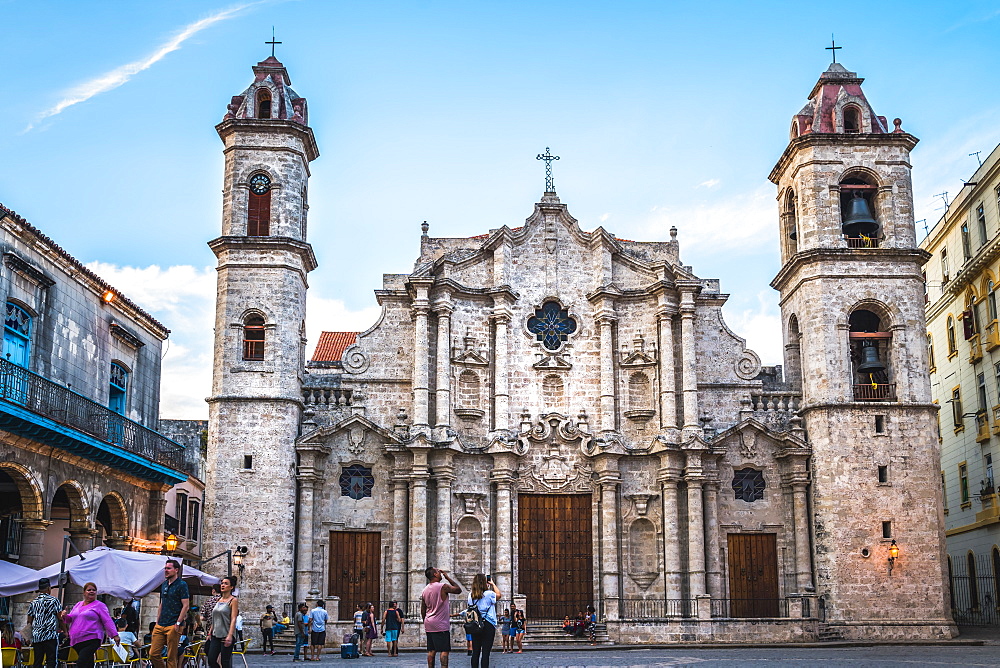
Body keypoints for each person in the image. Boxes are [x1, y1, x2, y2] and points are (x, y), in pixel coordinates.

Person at [64, 581, 121, 668]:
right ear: (84, 592)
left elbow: (107, 621)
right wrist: (64, 616)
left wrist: (114, 635)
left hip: (92, 638)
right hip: (77, 640)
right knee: (88, 663)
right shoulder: (78, 604)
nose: (91, 591)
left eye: (94, 590)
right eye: (89, 590)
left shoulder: (99, 605)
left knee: (81, 663)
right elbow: (70, 619)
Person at [150, 559, 190, 668]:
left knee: (171, 656)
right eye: (165, 568)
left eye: (168, 568)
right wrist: (157, 621)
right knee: (153, 654)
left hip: (173, 624)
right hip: (161, 624)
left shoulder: (182, 585)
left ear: (176, 570)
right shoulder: (164, 584)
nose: (166, 570)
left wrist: (178, 622)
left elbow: (186, 605)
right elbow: (162, 603)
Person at [420, 566, 461, 668]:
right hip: (441, 623)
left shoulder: (425, 590)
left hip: (429, 622)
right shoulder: (443, 586)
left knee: (431, 650)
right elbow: (458, 590)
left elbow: (423, 609)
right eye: (438, 572)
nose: (440, 573)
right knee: (444, 650)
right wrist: (448, 577)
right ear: (435, 574)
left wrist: (425, 621)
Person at [466, 574, 500, 668]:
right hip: (488, 624)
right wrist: (493, 584)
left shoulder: (470, 595)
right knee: (485, 653)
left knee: (475, 652)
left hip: (475, 624)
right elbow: (499, 595)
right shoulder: (489, 594)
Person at [27, 577, 62, 668]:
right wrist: (65, 630)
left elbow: (29, 620)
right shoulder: (54, 601)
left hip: (37, 636)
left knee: (38, 660)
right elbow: (60, 618)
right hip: (50, 635)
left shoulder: (33, 602)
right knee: (51, 660)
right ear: (48, 588)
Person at [206, 575, 238, 668]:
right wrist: (209, 633)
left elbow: (233, 619)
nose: (223, 585)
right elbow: (215, 618)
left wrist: (230, 635)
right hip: (216, 634)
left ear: (231, 587)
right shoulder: (218, 600)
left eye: (226, 583)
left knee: (225, 662)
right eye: (222, 583)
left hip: (226, 634)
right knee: (211, 659)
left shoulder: (233, 600)